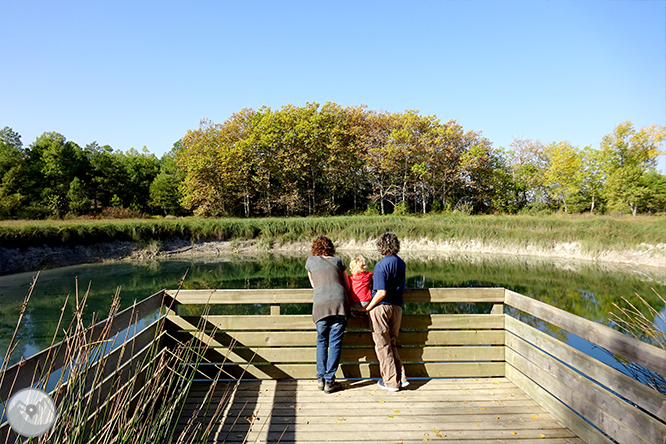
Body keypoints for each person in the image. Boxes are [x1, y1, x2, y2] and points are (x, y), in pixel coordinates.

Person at [361, 232, 408, 392]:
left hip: (381, 308)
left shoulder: (381, 265)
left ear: (381, 246)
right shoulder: (401, 263)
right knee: (392, 342)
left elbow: (381, 292)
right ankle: (401, 377)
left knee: (382, 345)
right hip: (397, 308)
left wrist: (368, 307)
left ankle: (391, 383)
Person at [305, 236, 350, 394]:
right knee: (335, 342)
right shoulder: (338, 261)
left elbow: (314, 285)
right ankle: (330, 381)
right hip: (339, 304)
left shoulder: (310, 261)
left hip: (321, 306)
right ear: (331, 248)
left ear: (315, 248)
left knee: (322, 341)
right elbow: (347, 286)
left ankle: (320, 379)